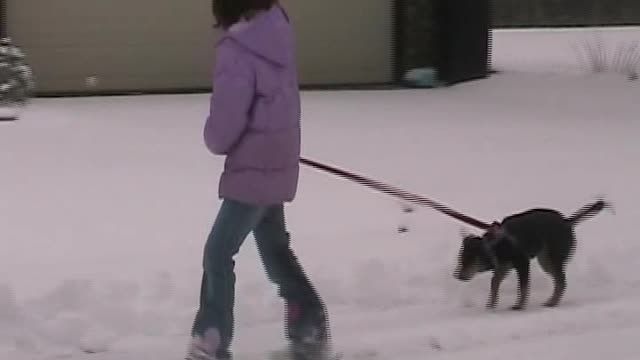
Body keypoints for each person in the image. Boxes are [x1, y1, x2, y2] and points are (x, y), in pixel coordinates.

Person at [186, 1, 332, 359]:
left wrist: (212, 136)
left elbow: (223, 128)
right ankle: (309, 325)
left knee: (218, 253)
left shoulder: (238, 52)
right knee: (275, 250)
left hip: (253, 171)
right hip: (276, 164)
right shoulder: (275, 34)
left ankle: (211, 338)